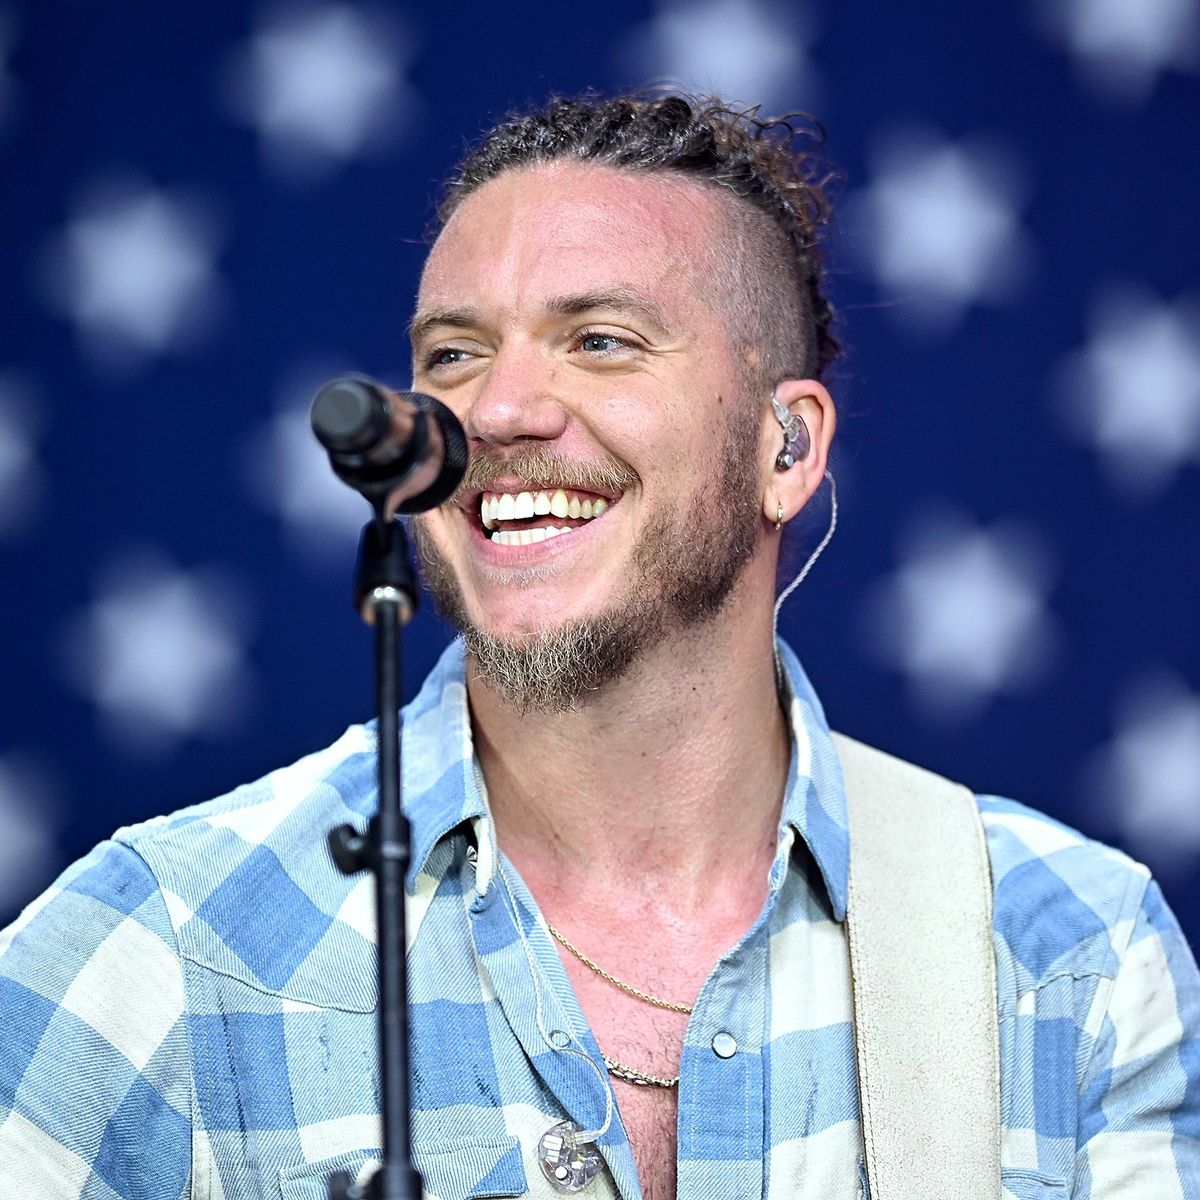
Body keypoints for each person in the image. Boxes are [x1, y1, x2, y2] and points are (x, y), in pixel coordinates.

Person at [1, 93, 1197, 1200]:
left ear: (786, 447)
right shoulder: (159, 948)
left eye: (603, 340)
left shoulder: (1074, 956)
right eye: (454, 355)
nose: (498, 412)